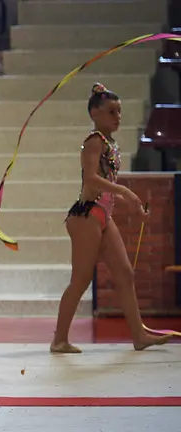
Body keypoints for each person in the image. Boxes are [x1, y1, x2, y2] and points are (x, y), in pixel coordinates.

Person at [50, 83, 172, 354]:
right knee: (81, 280)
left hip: (102, 216)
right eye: (111, 112)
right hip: (86, 216)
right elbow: (91, 178)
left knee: (125, 273)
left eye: (119, 112)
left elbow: (107, 185)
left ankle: (139, 335)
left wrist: (133, 204)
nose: (117, 117)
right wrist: (125, 191)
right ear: (94, 113)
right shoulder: (94, 141)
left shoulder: (110, 143)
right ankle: (59, 339)